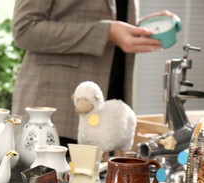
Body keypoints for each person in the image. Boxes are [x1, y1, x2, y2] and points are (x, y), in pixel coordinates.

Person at [11, 0, 178, 147]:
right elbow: (25, 29)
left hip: (108, 114)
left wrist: (140, 29)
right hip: (57, 111)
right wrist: (107, 32)